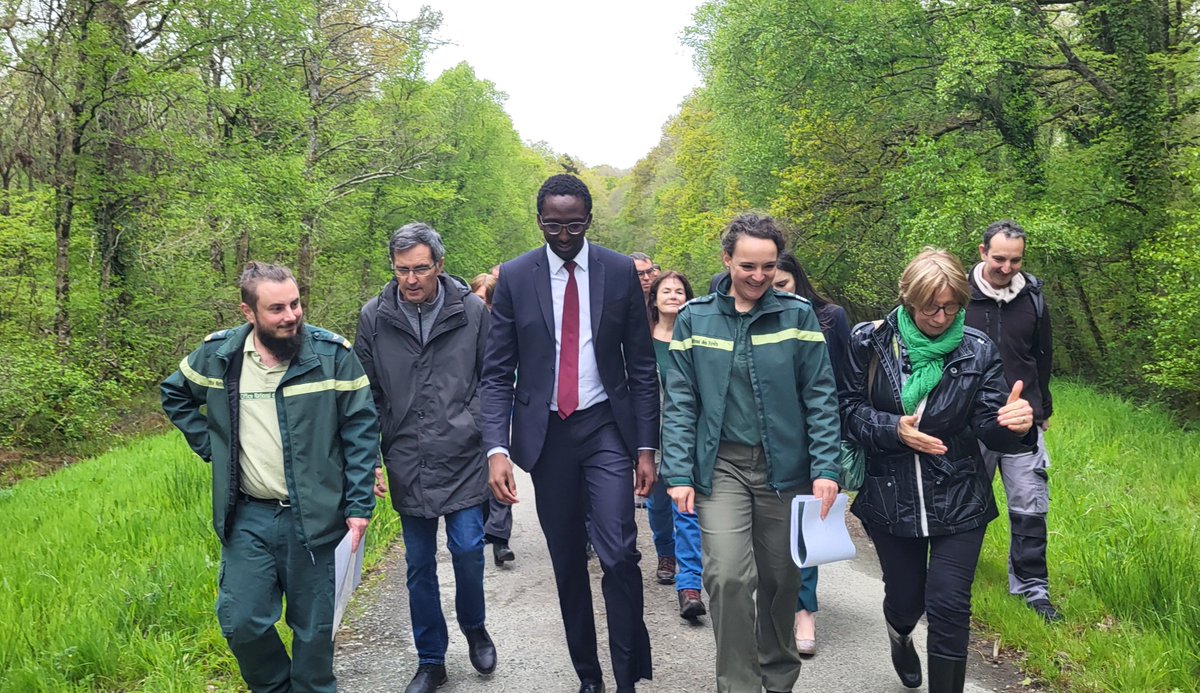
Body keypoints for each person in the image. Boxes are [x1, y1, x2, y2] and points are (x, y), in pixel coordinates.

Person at [160, 262, 378, 693]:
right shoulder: (219, 356)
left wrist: (358, 506)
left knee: (314, 634)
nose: (291, 315)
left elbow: (361, 430)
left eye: (295, 303)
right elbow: (175, 394)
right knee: (242, 623)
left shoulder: (332, 355)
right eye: (276, 308)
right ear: (249, 312)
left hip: (315, 518)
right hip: (246, 517)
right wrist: (214, 448)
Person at [481, 174, 658, 693]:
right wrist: (497, 448)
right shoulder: (515, 277)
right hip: (547, 435)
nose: (564, 235)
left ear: (588, 220)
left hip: (605, 425)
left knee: (619, 553)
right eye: (554, 225)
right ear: (540, 221)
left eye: (574, 224)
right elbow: (496, 372)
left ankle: (627, 676)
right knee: (567, 564)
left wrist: (646, 447)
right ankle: (590, 676)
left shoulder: (619, 271)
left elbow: (642, 367)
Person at [661, 213, 842, 693]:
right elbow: (680, 404)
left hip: (787, 470)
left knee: (783, 580)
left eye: (767, 266)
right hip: (722, 469)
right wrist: (678, 472)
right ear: (726, 260)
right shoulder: (694, 318)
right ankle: (738, 685)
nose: (758, 276)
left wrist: (827, 467)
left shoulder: (797, 315)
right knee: (728, 577)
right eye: (747, 266)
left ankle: (778, 675)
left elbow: (821, 396)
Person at [842, 248, 1036, 693]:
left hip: (960, 496)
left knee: (949, 605)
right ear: (908, 299)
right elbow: (846, 411)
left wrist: (1015, 426)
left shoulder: (977, 348)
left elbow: (991, 427)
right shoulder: (868, 341)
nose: (941, 316)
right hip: (890, 496)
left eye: (952, 306)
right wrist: (894, 429)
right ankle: (899, 632)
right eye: (931, 306)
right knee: (906, 600)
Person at [353, 224, 497, 693]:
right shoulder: (374, 317)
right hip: (406, 456)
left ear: (438, 263)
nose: (411, 279)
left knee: (469, 549)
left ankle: (474, 626)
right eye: (401, 270)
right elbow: (366, 394)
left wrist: (476, 427)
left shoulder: (471, 311)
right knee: (418, 564)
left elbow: (493, 378)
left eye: (420, 268)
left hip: (463, 454)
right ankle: (431, 659)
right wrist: (373, 456)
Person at [965, 220, 1060, 622]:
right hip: (970, 421)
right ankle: (955, 578)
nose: (1006, 268)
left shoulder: (1034, 299)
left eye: (1015, 261)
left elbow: (1043, 357)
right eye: (999, 258)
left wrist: (1043, 410)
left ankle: (1032, 589)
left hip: (1023, 422)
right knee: (966, 503)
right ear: (983, 252)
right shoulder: (957, 295)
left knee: (1030, 504)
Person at [772, 251, 851, 657]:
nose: (773, 292)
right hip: (770, 436)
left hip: (816, 433)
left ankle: (805, 609)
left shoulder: (830, 318)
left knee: (806, 522)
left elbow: (845, 381)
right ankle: (771, 603)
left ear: (798, 282)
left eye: (782, 284)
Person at [646, 270, 706, 619]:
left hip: (687, 434)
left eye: (679, 290)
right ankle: (664, 552)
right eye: (666, 290)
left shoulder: (698, 338)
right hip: (652, 437)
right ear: (654, 298)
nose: (673, 295)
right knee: (657, 503)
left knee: (686, 507)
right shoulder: (640, 341)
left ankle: (690, 584)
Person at [468, 271, 515, 565]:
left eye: (487, 302)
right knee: (477, 470)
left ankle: (499, 538)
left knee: (498, 463)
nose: (482, 307)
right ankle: (485, 525)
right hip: (465, 411)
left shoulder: (504, 328)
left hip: (496, 406)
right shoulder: (460, 327)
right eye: (478, 300)